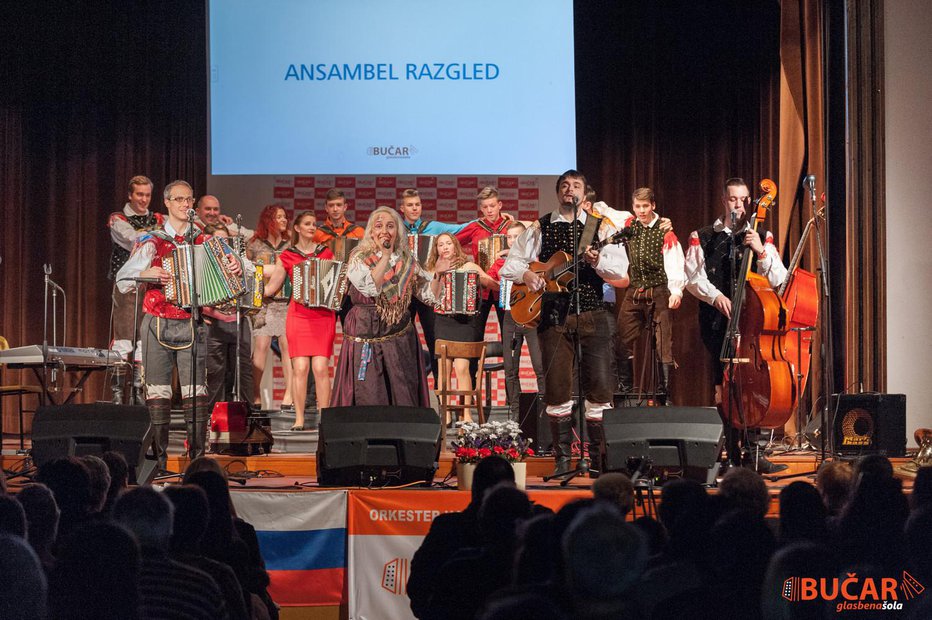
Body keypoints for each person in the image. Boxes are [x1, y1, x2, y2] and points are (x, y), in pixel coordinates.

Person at [501, 170, 628, 477]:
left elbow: (620, 270)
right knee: (557, 388)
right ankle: (561, 461)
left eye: (576, 186)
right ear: (558, 192)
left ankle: (598, 461)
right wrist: (528, 275)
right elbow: (511, 264)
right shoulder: (539, 226)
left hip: (593, 314)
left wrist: (597, 261)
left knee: (599, 388)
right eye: (565, 186)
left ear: (585, 194)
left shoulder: (601, 228)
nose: (570, 190)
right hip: (553, 315)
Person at [116, 180, 245, 468]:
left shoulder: (205, 239)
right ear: (168, 203)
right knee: (158, 394)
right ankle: (157, 463)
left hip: (193, 322)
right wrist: (148, 273)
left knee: (195, 395)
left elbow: (237, 273)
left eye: (189, 199)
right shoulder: (152, 239)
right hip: (157, 322)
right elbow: (123, 281)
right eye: (179, 200)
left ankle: (197, 461)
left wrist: (236, 266)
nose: (186, 205)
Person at [684, 177, 788, 472]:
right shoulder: (704, 235)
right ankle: (730, 451)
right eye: (733, 199)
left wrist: (761, 251)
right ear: (723, 200)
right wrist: (716, 297)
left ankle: (755, 453)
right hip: (718, 323)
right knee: (724, 385)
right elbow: (693, 277)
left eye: (744, 200)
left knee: (754, 386)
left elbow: (779, 279)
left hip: (754, 324)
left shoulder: (761, 235)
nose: (739, 205)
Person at [331, 206, 441, 407]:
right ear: (371, 231)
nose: (384, 231)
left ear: (397, 231)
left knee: (402, 385)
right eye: (379, 226)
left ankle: (402, 433)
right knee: (369, 388)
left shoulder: (406, 260)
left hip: (399, 334)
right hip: (366, 330)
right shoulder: (359, 257)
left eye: (390, 226)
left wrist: (438, 275)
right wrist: (384, 255)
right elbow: (370, 288)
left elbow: (428, 296)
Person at [265, 211, 337, 431]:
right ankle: (299, 419)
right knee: (301, 367)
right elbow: (271, 288)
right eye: (307, 224)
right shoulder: (287, 256)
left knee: (320, 367)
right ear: (296, 228)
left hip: (322, 315)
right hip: (298, 315)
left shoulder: (326, 253)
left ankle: (325, 419)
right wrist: (249, 287)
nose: (311, 227)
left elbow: (335, 284)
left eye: (314, 224)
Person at [615, 187, 686, 404]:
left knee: (663, 343)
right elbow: (604, 210)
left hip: (659, 290)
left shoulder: (666, 232)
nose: (642, 210)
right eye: (638, 206)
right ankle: (625, 391)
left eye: (645, 206)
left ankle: (663, 394)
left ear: (653, 206)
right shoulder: (629, 225)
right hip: (635, 290)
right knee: (620, 338)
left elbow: (675, 262)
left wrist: (676, 291)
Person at [399, 188, 477, 379]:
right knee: (401, 339)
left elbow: (461, 228)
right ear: (402, 208)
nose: (414, 208)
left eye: (417, 204)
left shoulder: (432, 226)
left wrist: (486, 220)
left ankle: (437, 390)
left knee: (434, 339)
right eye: (410, 205)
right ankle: (406, 389)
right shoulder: (396, 229)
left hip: (428, 290)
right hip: (404, 291)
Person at [426, 233, 497, 423]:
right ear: (436, 250)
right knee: (443, 369)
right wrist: (438, 274)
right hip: (443, 322)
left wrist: (484, 280)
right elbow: (430, 297)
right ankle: (446, 413)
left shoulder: (469, 266)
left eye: (448, 243)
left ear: (455, 246)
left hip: (465, 324)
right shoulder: (434, 269)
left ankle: (466, 414)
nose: (445, 247)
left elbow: (491, 284)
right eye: (441, 245)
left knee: (463, 368)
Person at [107, 175, 163, 403]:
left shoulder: (157, 217)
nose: (144, 199)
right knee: (123, 339)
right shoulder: (118, 219)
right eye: (139, 194)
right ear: (130, 195)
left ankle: (138, 391)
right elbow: (132, 238)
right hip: (127, 285)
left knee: (144, 338)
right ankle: (118, 394)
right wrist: (158, 233)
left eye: (148, 195)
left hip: (150, 286)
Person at [486, 221, 546, 420]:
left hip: (532, 318)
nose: (513, 241)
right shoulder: (502, 263)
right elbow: (490, 282)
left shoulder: (536, 262)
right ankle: (515, 415)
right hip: (510, 317)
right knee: (510, 369)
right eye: (510, 237)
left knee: (540, 366)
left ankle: (544, 415)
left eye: (517, 237)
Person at [247, 204, 294, 413]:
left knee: (288, 348)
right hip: (263, 304)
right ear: (268, 220)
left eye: (285, 217)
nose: (283, 220)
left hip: (286, 302)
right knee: (261, 347)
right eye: (278, 217)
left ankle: (289, 395)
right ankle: (255, 395)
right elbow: (247, 270)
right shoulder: (255, 244)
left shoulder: (291, 243)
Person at [201, 224, 254, 413]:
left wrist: (241, 263)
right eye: (219, 241)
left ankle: (247, 417)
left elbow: (252, 276)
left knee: (243, 373)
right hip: (213, 323)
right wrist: (202, 312)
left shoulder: (237, 259)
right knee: (215, 373)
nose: (223, 245)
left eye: (226, 241)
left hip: (238, 321)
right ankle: (213, 417)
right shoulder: (203, 263)